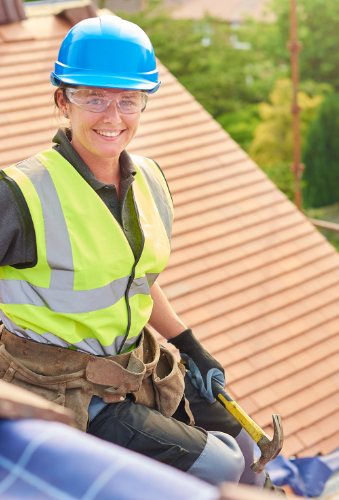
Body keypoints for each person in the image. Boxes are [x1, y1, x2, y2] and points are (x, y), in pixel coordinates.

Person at [0, 15, 279, 491]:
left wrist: (188, 344)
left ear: (143, 103)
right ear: (62, 100)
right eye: (93, 97)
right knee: (224, 465)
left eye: (128, 99)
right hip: (66, 392)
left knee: (247, 451)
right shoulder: (20, 194)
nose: (113, 117)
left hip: (136, 371)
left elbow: (137, 279)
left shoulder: (148, 179)